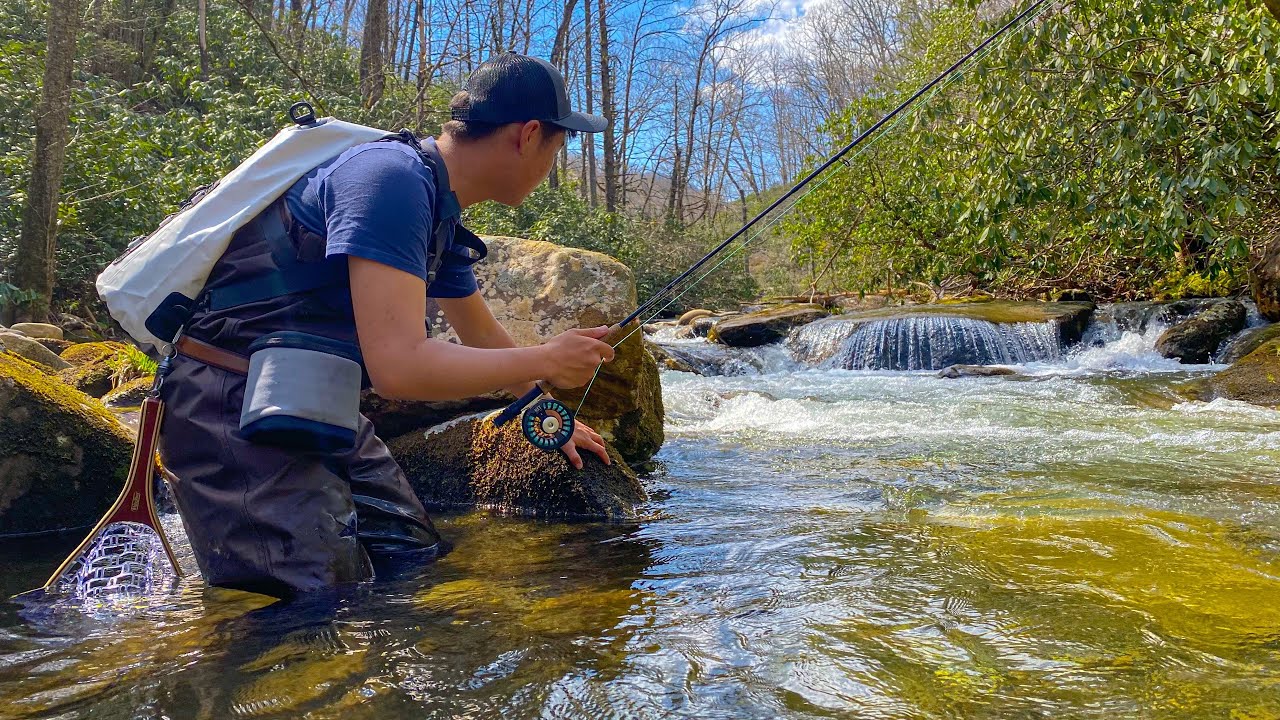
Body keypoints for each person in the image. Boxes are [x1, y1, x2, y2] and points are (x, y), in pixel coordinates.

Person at [158, 52, 616, 598]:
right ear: (529, 134)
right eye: (558, 146)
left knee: (413, 563)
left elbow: (479, 333)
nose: (553, 164)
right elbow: (399, 368)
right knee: (311, 611)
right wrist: (546, 358)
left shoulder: (436, 206)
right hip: (227, 406)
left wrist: (543, 413)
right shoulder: (391, 182)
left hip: (307, 401)